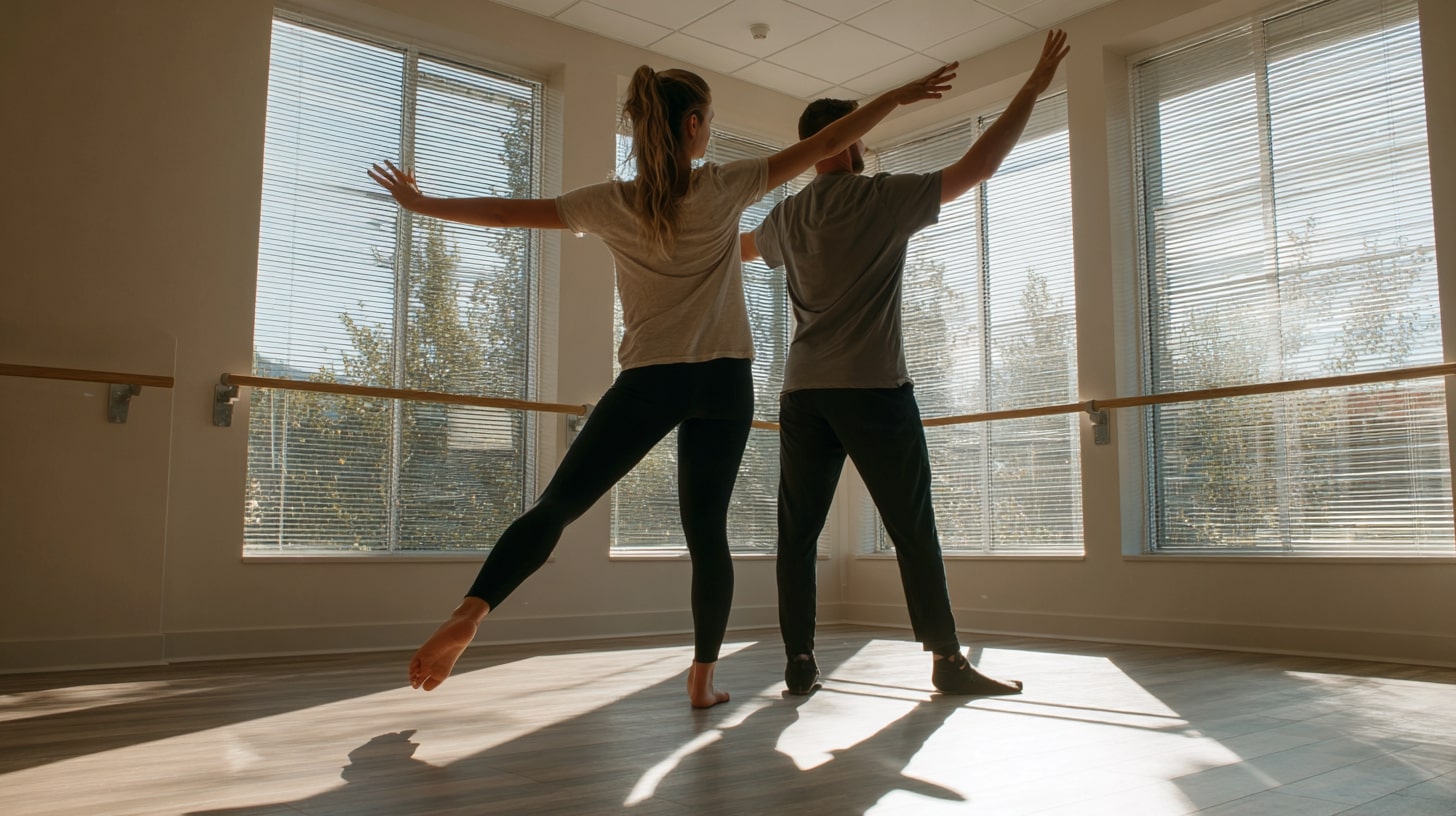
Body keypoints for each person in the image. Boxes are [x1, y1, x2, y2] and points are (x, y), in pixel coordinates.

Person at [368, 60, 957, 708]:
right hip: (726, 383)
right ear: (695, 124)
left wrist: (423, 204)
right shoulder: (726, 186)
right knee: (707, 534)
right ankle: (702, 680)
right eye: (710, 120)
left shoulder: (610, 202)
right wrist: (895, 96)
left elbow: (508, 214)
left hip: (650, 379)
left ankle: (474, 610)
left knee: (557, 507)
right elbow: (822, 146)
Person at [742, 30, 1070, 697]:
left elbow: (738, 251)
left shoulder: (787, 216)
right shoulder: (879, 198)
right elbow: (977, 168)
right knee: (912, 529)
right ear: (852, 142)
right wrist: (1031, 88)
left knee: (797, 535)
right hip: (872, 390)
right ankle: (947, 662)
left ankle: (800, 661)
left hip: (803, 394)